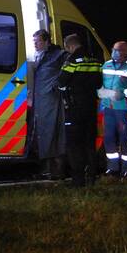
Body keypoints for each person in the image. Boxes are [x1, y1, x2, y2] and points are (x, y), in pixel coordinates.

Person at [59, 34, 103, 186]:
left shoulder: (71, 61)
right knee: (89, 144)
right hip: (91, 108)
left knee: (74, 145)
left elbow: (61, 81)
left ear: (69, 46)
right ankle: (91, 178)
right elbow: (98, 84)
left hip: (75, 108)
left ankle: (78, 181)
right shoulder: (95, 61)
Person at [98, 40, 127, 178]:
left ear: (125, 52)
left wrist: (124, 93)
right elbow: (101, 83)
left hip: (123, 108)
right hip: (108, 107)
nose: (114, 52)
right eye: (113, 49)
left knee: (124, 138)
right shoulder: (106, 65)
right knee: (108, 137)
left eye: (117, 50)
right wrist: (100, 91)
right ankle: (112, 168)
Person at [29, 29, 68, 179]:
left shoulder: (58, 55)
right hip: (41, 102)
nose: (35, 44)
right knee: (43, 134)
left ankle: (57, 170)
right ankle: (47, 169)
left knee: (55, 135)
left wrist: (57, 86)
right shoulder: (39, 56)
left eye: (38, 41)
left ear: (47, 41)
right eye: (34, 42)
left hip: (52, 102)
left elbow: (68, 70)